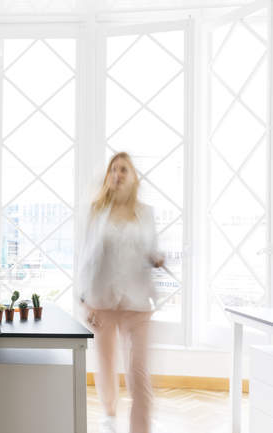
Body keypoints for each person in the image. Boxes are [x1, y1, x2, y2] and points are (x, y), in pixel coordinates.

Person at [78, 152, 164, 433]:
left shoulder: (146, 213)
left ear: (133, 177)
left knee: (138, 372)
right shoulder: (97, 212)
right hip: (102, 299)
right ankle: (110, 416)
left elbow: (152, 249)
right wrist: (84, 298)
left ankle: (140, 429)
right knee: (106, 363)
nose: (117, 174)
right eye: (113, 169)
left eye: (123, 169)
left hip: (138, 302)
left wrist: (157, 257)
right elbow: (87, 257)